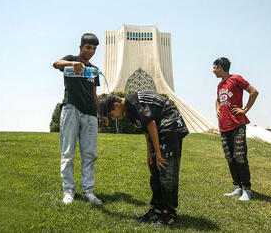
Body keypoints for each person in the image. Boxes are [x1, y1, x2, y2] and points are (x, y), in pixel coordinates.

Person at [99, 91, 189, 226]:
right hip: (159, 128)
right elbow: (146, 130)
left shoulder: (130, 101)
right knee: (155, 170)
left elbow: (151, 123)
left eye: (111, 115)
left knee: (165, 170)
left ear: (116, 105)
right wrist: (150, 154)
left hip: (170, 126)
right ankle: (157, 208)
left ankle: (169, 212)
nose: (113, 118)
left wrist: (158, 152)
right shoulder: (128, 111)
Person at [52, 33, 102, 205]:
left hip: (90, 114)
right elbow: (55, 63)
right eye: (88, 47)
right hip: (71, 109)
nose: (91, 51)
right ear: (81, 47)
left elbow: (94, 94)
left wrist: (100, 113)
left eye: (94, 48)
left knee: (90, 154)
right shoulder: (71, 60)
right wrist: (73, 64)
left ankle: (88, 192)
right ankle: (68, 192)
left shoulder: (94, 70)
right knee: (68, 152)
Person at [212, 57, 259, 201]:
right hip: (224, 127)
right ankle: (237, 188)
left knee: (240, 157)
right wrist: (217, 110)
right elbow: (218, 99)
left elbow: (254, 92)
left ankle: (247, 190)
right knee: (230, 157)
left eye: (214, 67)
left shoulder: (236, 79)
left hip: (237, 125)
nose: (213, 70)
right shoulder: (220, 85)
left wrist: (244, 110)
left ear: (220, 67)